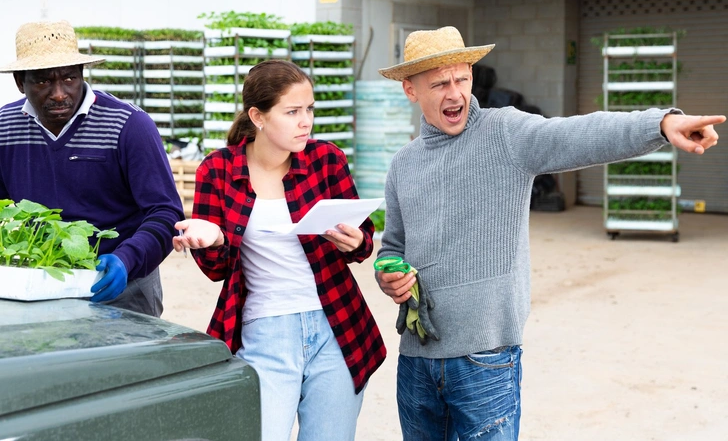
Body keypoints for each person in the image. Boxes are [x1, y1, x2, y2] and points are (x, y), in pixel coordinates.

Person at [374, 26, 725, 441]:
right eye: (439, 84)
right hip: (416, 362)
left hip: (484, 361)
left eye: (462, 79)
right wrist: (387, 276)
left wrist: (661, 124)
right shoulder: (404, 164)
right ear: (410, 91)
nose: (456, 95)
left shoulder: (505, 133)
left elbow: (579, 134)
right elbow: (392, 247)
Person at [173, 59, 386, 441]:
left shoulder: (327, 160)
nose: (306, 121)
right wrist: (215, 239)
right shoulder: (218, 171)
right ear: (258, 116)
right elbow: (216, 269)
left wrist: (358, 242)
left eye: (310, 110)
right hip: (265, 331)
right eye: (292, 112)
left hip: (336, 327)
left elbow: (363, 239)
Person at [0, 20, 184, 316]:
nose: (59, 93)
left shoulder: (129, 125)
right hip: (39, 282)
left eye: (69, 78)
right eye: (43, 81)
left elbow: (165, 212)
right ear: (20, 82)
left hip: (122, 286)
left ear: (82, 75)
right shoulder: (4, 128)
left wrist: (127, 259)